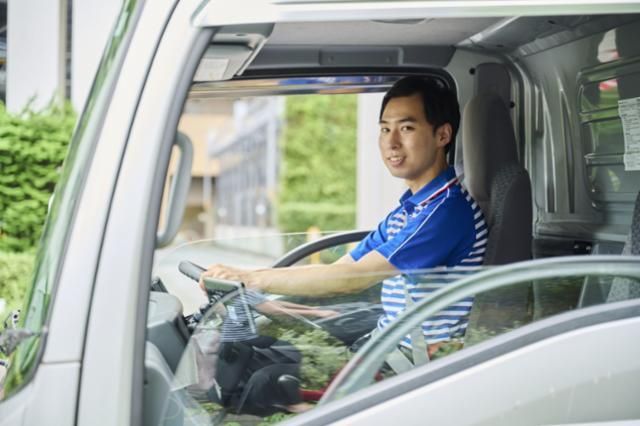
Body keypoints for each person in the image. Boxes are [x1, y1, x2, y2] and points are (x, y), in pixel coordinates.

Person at [201, 76, 487, 358]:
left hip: (416, 364)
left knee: (266, 378)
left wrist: (250, 278)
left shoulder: (445, 213)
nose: (391, 142)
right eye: (385, 129)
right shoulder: (410, 210)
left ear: (442, 135)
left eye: (406, 128)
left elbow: (354, 279)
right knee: (275, 361)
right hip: (387, 347)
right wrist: (278, 301)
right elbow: (344, 267)